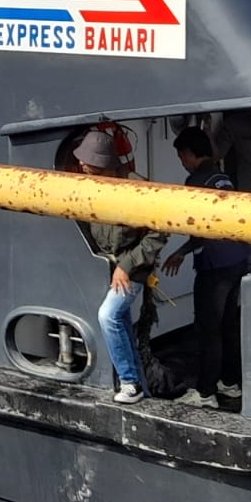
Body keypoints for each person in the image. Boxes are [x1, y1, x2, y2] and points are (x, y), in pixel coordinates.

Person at [73, 126, 168, 405]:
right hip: (108, 266)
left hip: (133, 269)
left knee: (108, 316)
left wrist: (126, 265)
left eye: (87, 161)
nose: (81, 164)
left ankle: (129, 383)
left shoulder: (136, 189)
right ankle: (142, 388)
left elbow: (159, 232)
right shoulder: (85, 189)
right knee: (123, 326)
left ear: (102, 163)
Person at [162, 126, 251, 409]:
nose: (182, 162)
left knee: (208, 329)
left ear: (191, 154)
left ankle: (205, 393)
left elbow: (199, 228)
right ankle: (231, 382)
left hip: (215, 265)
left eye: (181, 156)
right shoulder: (222, 177)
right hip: (237, 258)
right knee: (229, 324)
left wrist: (181, 251)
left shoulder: (197, 181)